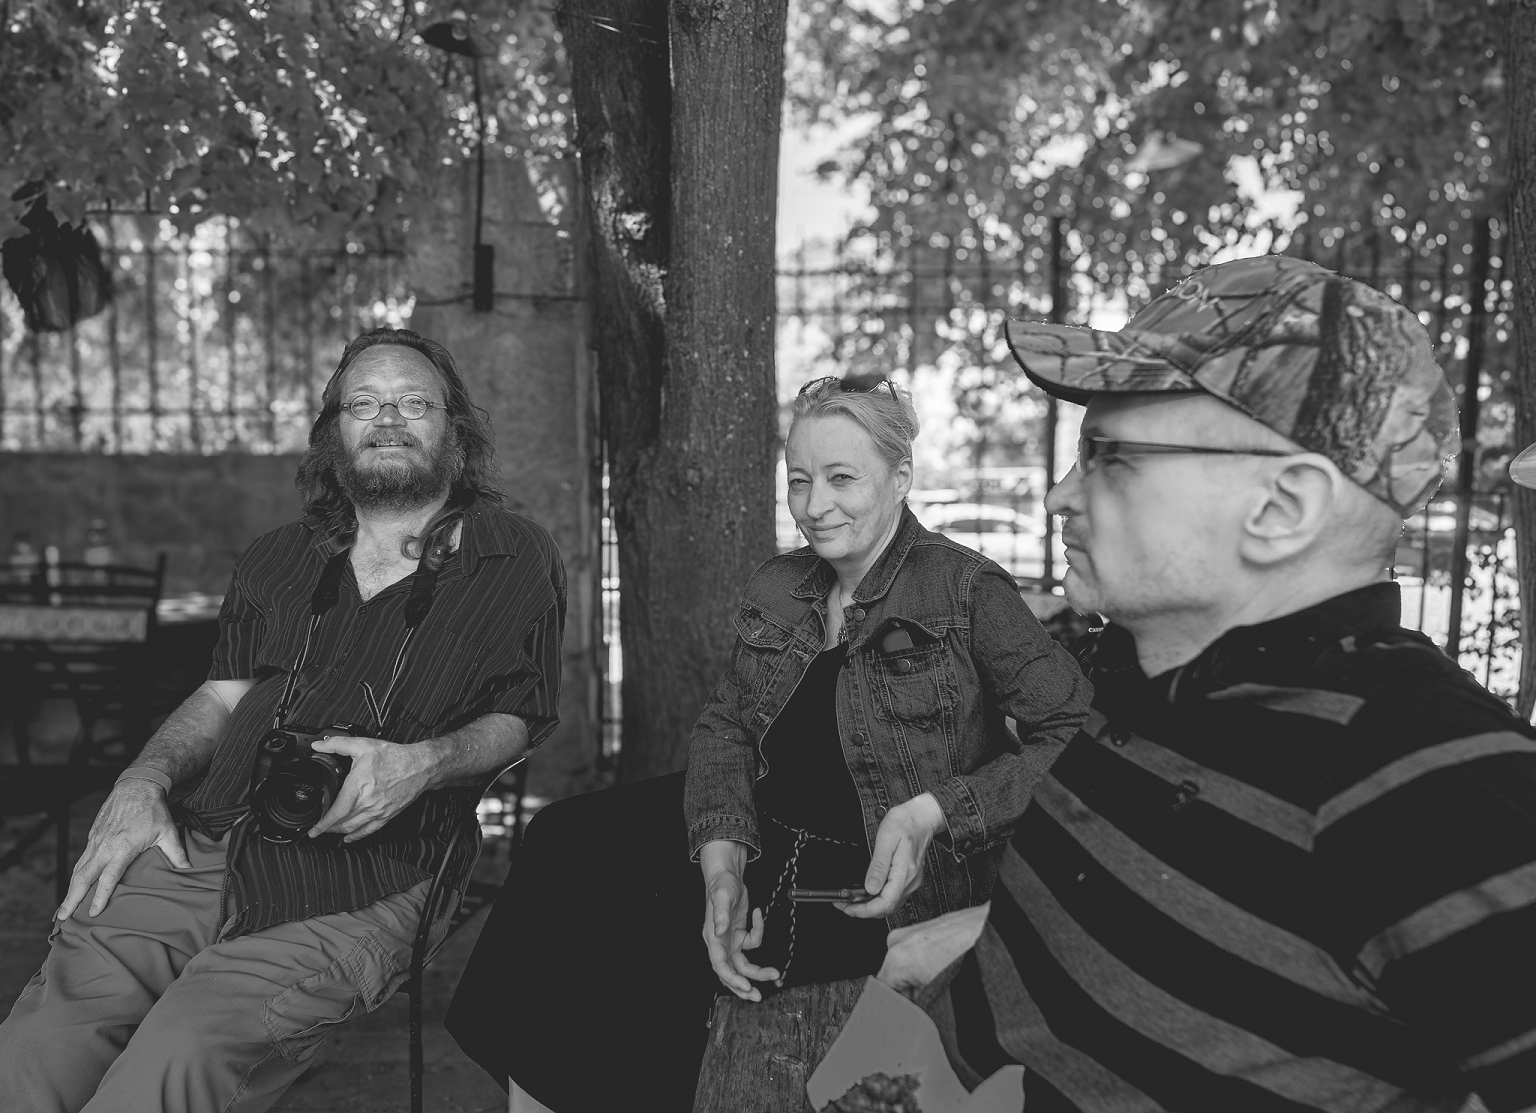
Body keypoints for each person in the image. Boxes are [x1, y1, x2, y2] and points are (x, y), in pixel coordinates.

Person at [876, 254, 1536, 1113]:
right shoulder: (1140, 668)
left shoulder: (1434, 781)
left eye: (1110, 457)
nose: (1058, 496)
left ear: (1281, 508)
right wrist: (978, 933)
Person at [447, 374, 1091, 1113]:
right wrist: (721, 856)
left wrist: (935, 811)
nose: (815, 506)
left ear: (900, 478)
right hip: (763, 824)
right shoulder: (781, 587)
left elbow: (1073, 733)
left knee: (657, 945)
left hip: (874, 867)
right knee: (565, 841)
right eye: (800, 481)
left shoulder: (968, 591)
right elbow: (726, 727)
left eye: (842, 479)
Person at [0, 326, 567, 1113]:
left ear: (456, 430)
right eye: (363, 404)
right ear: (335, 431)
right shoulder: (277, 555)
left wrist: (420, 765)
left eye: (413, 402)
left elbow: (520, 713)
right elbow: (222, 693)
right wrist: (143, 778)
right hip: (203, 837)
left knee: (183, 1050)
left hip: (371, 872)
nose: (388, 419)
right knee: (40, 1042)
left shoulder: (512, 554)